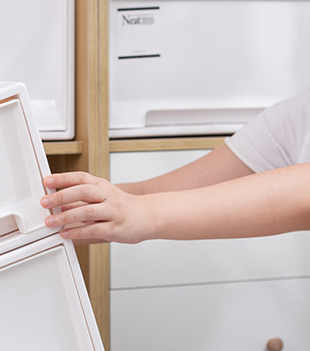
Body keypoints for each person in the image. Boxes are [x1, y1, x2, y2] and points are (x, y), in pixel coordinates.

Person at [40, 87, 310, 244]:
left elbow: (303, 193)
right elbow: (147, 193)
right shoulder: (299, 114)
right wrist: (45, 216)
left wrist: (144, 213)